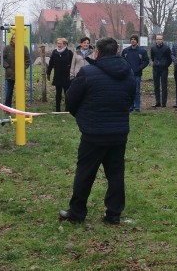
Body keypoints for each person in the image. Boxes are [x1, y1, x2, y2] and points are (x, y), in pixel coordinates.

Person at [58, 37, 136, 225]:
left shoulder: (87, 72)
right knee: (116, 174)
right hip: (118, 132)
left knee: (85, 173)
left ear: (97, 52)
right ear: (117, 51)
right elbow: (130, 100)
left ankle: (77, 213)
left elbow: (70, 100)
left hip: (93, 133)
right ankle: (114, 214)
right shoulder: (129, 73)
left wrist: (82, 117)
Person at [2, 33, 31, 108]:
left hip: (20, 74)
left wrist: (23, 67)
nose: (15, 40)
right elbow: (1, 58)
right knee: (9, 92)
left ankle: (20, 107)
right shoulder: (7, 48)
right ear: (11, 39)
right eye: (14, 38)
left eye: (17, 39)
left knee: (20, 92)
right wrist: (7, 67)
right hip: (10, 74)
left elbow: (28, 60)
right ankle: (7, 108)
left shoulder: (24, 48)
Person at [121, 34, 149, 112]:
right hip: (127, 75)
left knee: (136, 90)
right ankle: (130, 106)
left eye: (134, 39)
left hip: (137, 74)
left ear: (137, 41)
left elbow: (146, 61)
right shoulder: (125, 51)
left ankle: (137, 106)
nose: (133, 40)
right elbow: (122, 61)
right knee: (129, 90)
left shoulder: (142, 51)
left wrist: (139, 68)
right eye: (131, 39)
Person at [46, 37, 74, 112]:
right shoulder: (54, 52)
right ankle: (57, 109)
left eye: (60, 43)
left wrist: (72, 74)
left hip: (66, 76)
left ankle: (67, 109)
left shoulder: (69, 53)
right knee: (58, 93)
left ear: (64, 44)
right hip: (57, 76)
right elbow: (51, 63)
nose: (58, 45)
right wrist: (48, 73)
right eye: (58, 43)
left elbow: (72, 64)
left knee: (67, 93)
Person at [149, 33, 172, 107]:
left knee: (164, 86)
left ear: (163, 40)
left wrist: (165, 64)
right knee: (156, 86)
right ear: (155, 40)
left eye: (160, 39)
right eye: (157, 39)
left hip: (164, 69)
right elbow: (152, 57)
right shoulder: (153, 48)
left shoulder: (166, 48)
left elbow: (169, 59)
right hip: (156, 69)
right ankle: (157, 102)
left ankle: (164, 103)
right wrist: (156, 63)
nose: (158, 40)